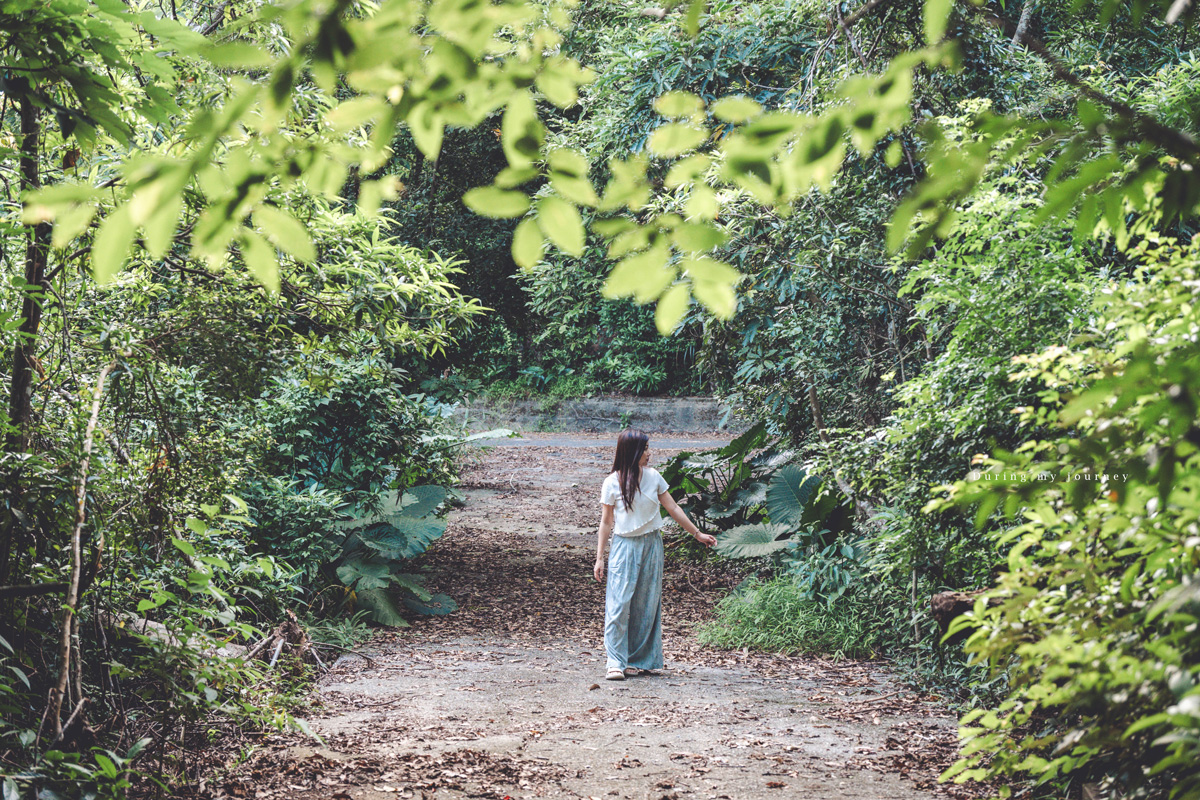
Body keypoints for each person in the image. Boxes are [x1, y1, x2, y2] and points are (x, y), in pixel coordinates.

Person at [593, 429, 716, 681]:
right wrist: (599, 557)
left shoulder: (654, 477)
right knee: (618, 605)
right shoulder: (611, 482)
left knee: (646, 604)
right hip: (624, 546)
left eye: (649, 448)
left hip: (652, 545)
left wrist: (697, 534)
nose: (650, 453)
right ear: (633, 452)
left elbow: (672, 507)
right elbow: (606, 523)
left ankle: (641, 660)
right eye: (646, 448)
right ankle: (615, 662)